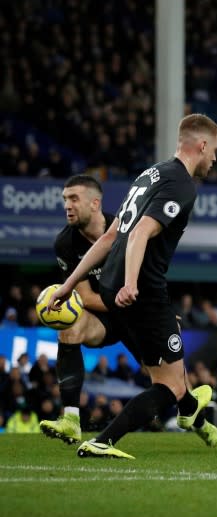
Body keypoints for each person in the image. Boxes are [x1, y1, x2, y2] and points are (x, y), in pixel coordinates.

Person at [49, 114, 217, 458]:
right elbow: (138, 234)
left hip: (109, 285)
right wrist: (131, 283)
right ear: (202, 144)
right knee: (169, 385)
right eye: (215, 150)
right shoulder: (182, 184)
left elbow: (108, 236)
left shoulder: (150, 175)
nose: (215, 159)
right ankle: (104, 441)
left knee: (166, 374)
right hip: (143, 291)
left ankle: (192, 409)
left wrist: (67, 285)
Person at [39, 175, 120, 445]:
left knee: (170, 374)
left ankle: (198, 420)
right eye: (65, 199)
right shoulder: (66, 244)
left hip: (139, 314)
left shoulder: (124, 230)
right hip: (103, 316)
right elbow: (84, 297)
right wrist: (120, 303)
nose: (67, 205)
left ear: (95, 203)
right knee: (68, 326)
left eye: (74, 198)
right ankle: (71, 419)